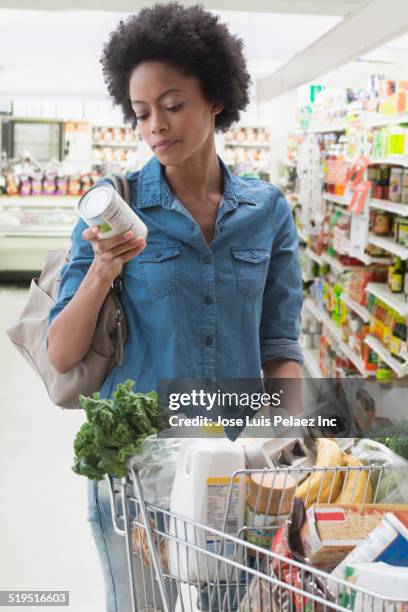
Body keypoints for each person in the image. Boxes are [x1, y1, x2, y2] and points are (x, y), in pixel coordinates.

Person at [47, 3, 304, 610]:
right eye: (141, 113)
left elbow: (281, 347)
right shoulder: (116, 205)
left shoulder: (267, 213)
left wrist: (288, 445)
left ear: (215, 98)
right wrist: (104, 269)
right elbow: (62, 352)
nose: (155, 126)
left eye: (173, 104)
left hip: (233, 469)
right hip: (137, 471)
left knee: (225, 604)